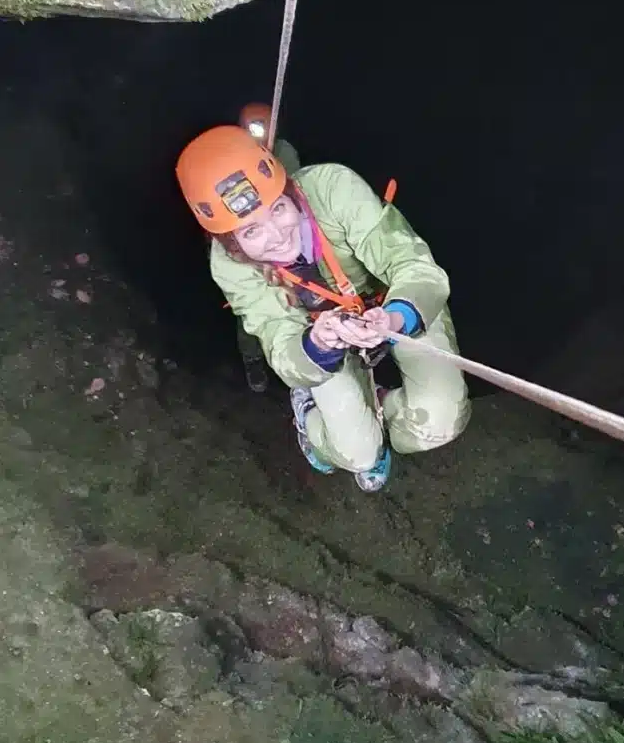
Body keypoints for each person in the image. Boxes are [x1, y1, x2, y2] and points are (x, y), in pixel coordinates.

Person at [176, 124, 471, 492]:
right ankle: (314, 419)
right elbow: (278, 338)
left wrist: (395, 316)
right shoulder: (229, 265)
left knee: (437, 424)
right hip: (315, 333)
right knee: (358, 455)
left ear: (288, 189)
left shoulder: (332, 189)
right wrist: (317, 345)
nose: (277, 234)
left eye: (278, 208)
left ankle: (378, 404)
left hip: (397, 305)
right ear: (231, 243)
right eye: (251, 232)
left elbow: (413, 266)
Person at [232, 103, 301, 393]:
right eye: (254, 127)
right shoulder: (232, 156)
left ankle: (303, 358)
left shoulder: (283, 151)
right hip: (248, 243)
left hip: (283, 238)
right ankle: (253, 359)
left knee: (295, 295)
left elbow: (296, 188)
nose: (259, 132)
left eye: (264, 126)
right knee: (251, 306)